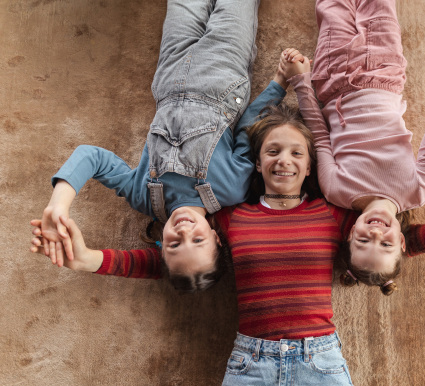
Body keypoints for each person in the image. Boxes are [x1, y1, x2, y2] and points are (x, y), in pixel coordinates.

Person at [32, 104, 425, 386]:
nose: (284, 163)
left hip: (321, 365)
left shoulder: (332, 215)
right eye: (273, 154)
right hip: (251, 367)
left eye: (297, 156)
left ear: (309, 165)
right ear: (259, 162)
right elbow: (169, 258)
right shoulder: (230, 218)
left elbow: (397, 240)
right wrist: (90, 259)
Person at [33, 0, 293, 291]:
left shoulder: (144, 196)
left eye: (174, 244)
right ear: (216, 236)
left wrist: (59, 203)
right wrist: (279, 83)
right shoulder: (230, 188)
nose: (183, 231)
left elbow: (91, 156)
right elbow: (248, 126)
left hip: (171, 69)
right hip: (224, 70)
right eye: (197, 240)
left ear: (160, 245)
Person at [277, 0, 425, 290]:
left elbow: (320, 135)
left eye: (362, 240)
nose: (374, 233)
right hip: (382, 68)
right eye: (385, 245)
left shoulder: (336, 191)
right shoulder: (416, 191)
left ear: (350, 234)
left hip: (332, 76)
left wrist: (300, 81)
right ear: (401, 241)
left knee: (331, 6)